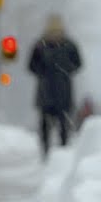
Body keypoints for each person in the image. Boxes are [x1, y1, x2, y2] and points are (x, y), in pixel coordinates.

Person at [27, 14, 83, 157]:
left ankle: (58, 153)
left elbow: (78, 64)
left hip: (54, 92)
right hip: (54, 93)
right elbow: (32, 66)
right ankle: (51, 152)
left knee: (58, 126)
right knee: (52, 126)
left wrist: (62, 69)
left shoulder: (45, 45)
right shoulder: (44, 45)